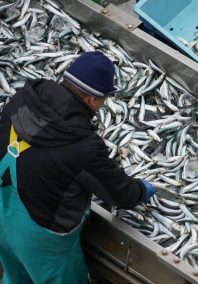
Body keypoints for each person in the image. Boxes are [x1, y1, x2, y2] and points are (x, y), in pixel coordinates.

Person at [0, 51, 155, 283]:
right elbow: (120, 194)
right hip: (42, 237)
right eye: (104, 98)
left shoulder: (22, 98)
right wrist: (142, 190)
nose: (103, 104)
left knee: (16, 274)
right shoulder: (83, 145)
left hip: (3, 212)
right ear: (92, 99)